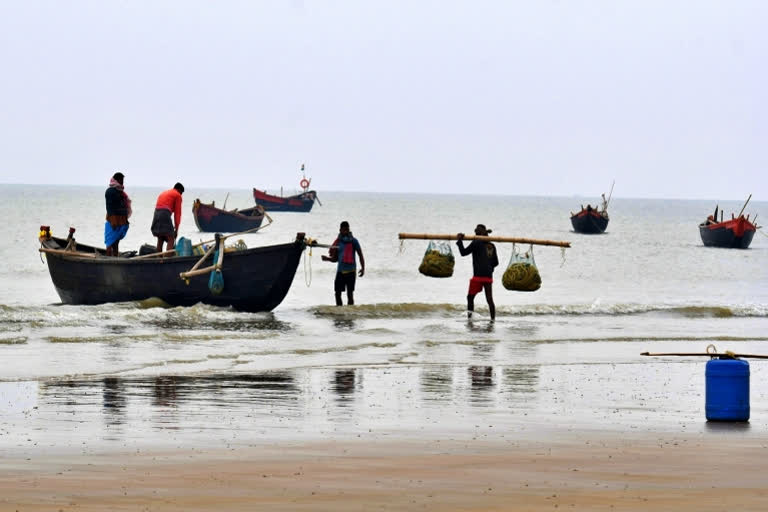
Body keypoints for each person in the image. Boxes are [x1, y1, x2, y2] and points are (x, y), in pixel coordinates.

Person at [457, 224, 499, 320]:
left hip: (478, 276)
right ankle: (493, 320)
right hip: (488, 277)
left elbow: (463, 253)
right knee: (489, 299)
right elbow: (496, 263)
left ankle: (470, 319)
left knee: (470, 297)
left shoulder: (476, 242)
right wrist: (489, 268)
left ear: (477, 234)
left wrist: (460, 240)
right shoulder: (491, 245)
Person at [322, 221, 365, 306]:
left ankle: (350, 313)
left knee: (350, 294)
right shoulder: (338, 242)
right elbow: (335, 259)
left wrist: (363, 268)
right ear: (340, 230)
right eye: (344, 230)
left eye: (347, 229)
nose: (346, 231)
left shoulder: (354, 241)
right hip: (340, 272)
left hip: (351, 272)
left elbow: (360, 255)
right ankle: (340, 312)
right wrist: (327, 259)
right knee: (337, 293)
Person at [104, 172, 132, 256]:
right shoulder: (110, 191)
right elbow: (110, 208)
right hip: (113, 221)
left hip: (120, 221)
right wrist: (112, 221)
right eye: (121, 180)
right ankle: (108, 261)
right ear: (117, 180)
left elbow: (122, 206)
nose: (122, 181)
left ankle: (115, 259)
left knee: (116, 242)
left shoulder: (119, 191)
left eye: (123, 180)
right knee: (109, 243)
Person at [151, 182, 184, 253]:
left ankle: (159, 259)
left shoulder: (165, 192)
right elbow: (177, 214)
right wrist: (176, 230)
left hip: (156, 213)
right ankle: (167, 260)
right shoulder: (178, 195)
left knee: (161, 237)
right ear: (179, 190)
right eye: (181, 193)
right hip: (164, 213)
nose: (181, 195)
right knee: (171, 238)